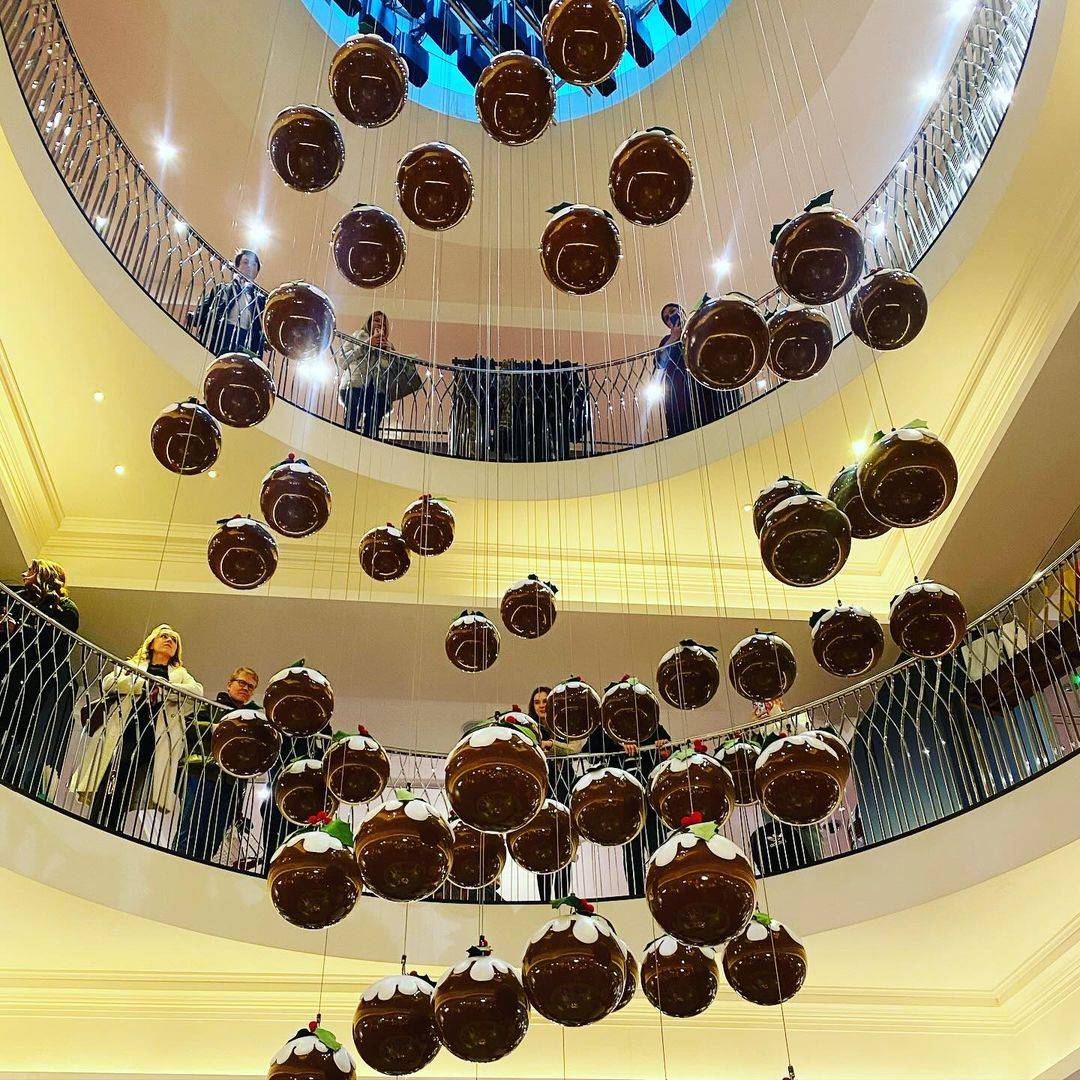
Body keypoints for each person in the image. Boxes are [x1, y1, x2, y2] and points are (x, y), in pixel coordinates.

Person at [70, 624, 202, 835]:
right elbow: (110, 682)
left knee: (130, 783)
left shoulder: (180, 673)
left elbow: (197, 692)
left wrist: (165, 687)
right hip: (124, 730)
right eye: (164, 637)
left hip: (154, 738)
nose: (169, 641)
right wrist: (145, 685)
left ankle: (113, 828)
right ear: (152, 642)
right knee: (109, 777)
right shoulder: (134, 664)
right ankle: (95, 824)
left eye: (174, 640)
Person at [0, 559, 80, 797]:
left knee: (18, 729)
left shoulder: (65, 607)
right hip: (9, 671)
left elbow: (55, 642)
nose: (24, 575)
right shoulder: (15, 597)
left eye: (32, 571)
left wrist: (19, 629)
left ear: (45, 575)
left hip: (35, 681)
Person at [174, 666, 260, 862]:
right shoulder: (209, 707)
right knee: (192, 828)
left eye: (251, 686)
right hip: (203, 774)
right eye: (242, 682)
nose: (245, 688)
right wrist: (222, 729)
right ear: (230, 684)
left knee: (214, 836)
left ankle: (197, 871)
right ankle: (177, 868)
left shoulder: (251, 720)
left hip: (231, 784)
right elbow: (190, 729)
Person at [582, 714, 671, 897]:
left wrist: (663, 746)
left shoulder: (649, 725)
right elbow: (589, 752)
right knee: (632, 853)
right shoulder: (606, 730)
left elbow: (669, 746)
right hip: (624, 802)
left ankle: (662, 891)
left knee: (659, 848)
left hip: (650, 799)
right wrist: (619, 746)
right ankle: (636, 895)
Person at [653, 302, 738, 436]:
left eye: (673, 311)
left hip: (705, 384)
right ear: (668, 325)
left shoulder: (699, 328)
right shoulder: (667, 341)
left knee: (714, 416)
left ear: (682, 312)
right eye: (667, 318)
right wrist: (673, 338)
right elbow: (660, 363)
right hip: (681, 391)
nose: (671, 317)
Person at [529, 685, 580, 902]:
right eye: (537, 702)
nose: (541, 705)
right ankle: (543, 901)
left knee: (563, 839)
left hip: (563, 784)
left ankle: (562, 897)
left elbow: (575, 748)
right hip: (543, 786)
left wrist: (551, 745)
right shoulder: (529, 728)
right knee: (541, 840)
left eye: (545, 701)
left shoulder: (563, 727)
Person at [338, 311, 421, 438]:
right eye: (377, 320)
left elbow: (395, 372)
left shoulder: (388, 345)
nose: (380, 325)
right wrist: (366, 345)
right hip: (356, 383)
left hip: (379, 387)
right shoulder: (357, 336)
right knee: (352, 415)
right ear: (369, 322)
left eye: (384, 324)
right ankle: (348, 439)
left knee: (375, 418)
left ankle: (370, 440)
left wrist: (389, 352)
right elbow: (342, 360)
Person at [189, 248, 265, 357]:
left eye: (254, 264)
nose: (249, 266)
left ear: (257, 271)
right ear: (236, 266)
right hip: (223, 331)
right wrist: (195, 317)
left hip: (246, 337)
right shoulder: (222, 289)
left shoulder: (260, 299)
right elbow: (206, 308)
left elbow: (261, 325)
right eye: (245, 262)